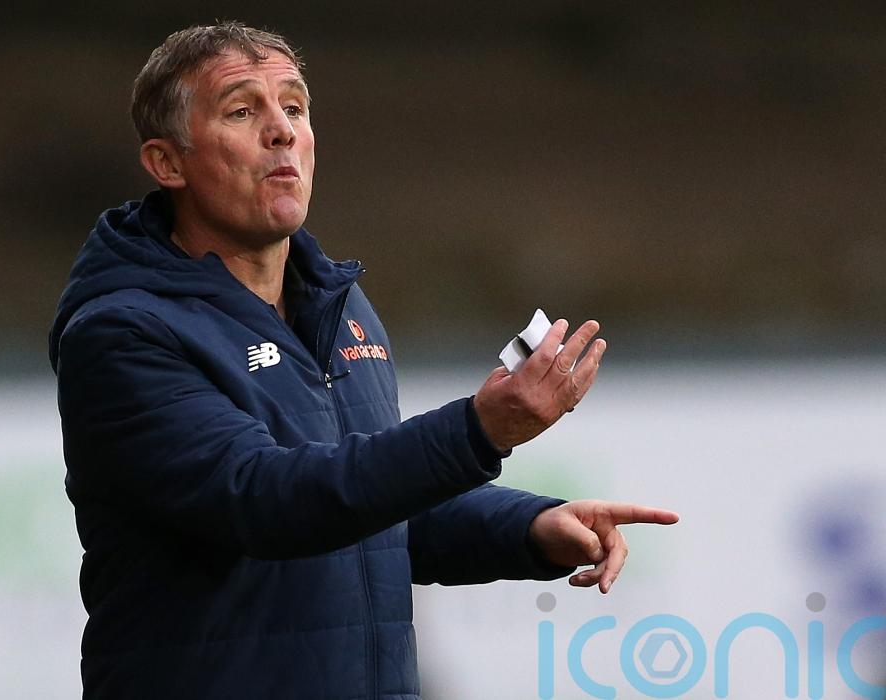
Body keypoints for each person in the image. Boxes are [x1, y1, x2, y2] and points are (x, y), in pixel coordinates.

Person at [49, 22, 678, 699]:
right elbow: (265, 501)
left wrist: (526, 527)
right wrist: (477, 431)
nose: (282, 131)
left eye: (294, 107)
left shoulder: (339, 306)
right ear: (168, 163)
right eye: (242, 111)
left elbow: (375, 511)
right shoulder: (122, 333)